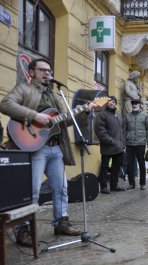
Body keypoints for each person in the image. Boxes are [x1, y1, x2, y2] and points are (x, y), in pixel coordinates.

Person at [0, 58, 88, 246]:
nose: (47, 73)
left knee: (61, 188)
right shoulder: (24, 89)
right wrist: (35, 115)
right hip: (34, 147)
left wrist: (82, 111)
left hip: (55, 147)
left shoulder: (56, 96)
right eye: (42, 70)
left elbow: (64, 121)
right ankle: (23, 230)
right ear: (31, 72)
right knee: (32, 190)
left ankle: (61, 223)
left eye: (49, 70)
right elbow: (5, 104)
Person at [94, 96, 125, 194]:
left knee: (116, 167)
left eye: (114, 102)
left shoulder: (118, 115)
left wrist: (122, 143)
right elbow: (100, 131)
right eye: (110, 101)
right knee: (104, 167)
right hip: (108, 146)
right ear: (106, 103)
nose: (112, 103)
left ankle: (114, 185)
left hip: (118, 147)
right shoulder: (102, 114)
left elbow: (122, 130)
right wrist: (111, 141)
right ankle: (103, 187)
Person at [124, 98, 148, 190]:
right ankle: (131, 184)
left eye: (136, 103)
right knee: (130, 164)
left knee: (141, 164)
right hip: (129, 143)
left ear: (139, 105)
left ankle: (142, 184)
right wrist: (124, 141)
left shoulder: (145, 116)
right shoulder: (127, 116)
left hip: (141, 143)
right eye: (133, 104)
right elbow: (123, 129)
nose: (134, 105)